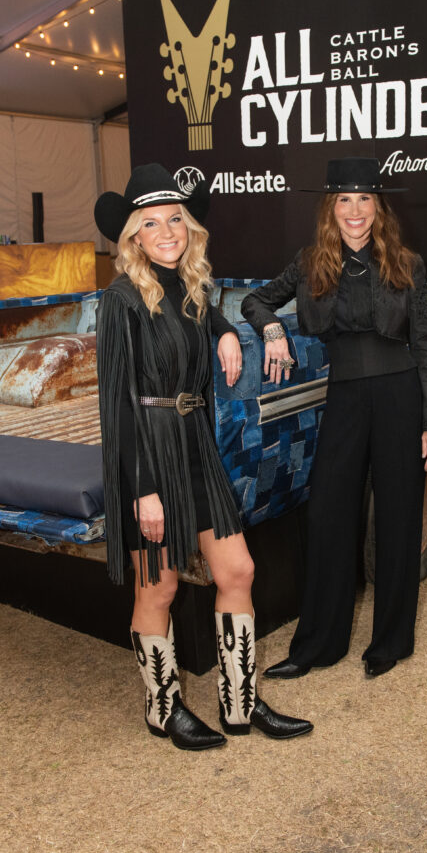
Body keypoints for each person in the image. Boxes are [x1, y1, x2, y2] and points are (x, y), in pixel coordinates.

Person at [94, 163, 312, 749]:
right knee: (157, 590)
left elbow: (201, 315)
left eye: (176, 220)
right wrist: (141, 489)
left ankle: (239, 704)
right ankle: (162, 708)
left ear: (189, 227)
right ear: (133, 236)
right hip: (148, 454)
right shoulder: (118, 301)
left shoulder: (192, 287)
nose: (167, 231)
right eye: (152, 223)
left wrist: (221, 329)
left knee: (237, 571)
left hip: (195, 445)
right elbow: (116, 406)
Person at [241, 156, 427, 679]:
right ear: (330, 208)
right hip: (346, 396)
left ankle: (391, 642)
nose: (354, 210)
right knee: (329, 514)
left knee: (400, 516)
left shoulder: (406, 262)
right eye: (344, 200)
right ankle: (317, 645)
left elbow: (423, 342)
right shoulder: (312, 261)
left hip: (401, 394)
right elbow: (254, 300)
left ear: (379, 207)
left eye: (364, 199)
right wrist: (272, 330)